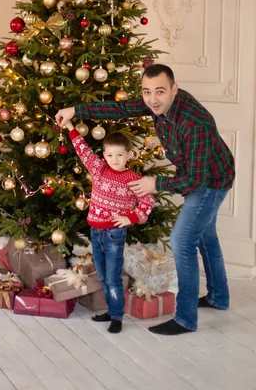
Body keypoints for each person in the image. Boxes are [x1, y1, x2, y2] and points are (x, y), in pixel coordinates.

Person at [56, 63, 235, 335]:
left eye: (160, 91)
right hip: (195, 175)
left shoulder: (195, 124)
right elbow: (120, 109)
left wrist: (155, 183)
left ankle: (185, 319)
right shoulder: (156, 103)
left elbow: (195, 181)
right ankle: (218, 297)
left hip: (211, 181)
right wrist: (75, 111)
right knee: (205, 236)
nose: (152, 99)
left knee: (182, 240)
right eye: (147, 92)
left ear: (174, 89)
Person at [65, 120, 154, 333]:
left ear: (129, 155)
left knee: (113, 277)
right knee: (103, 276)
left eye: (120, 155)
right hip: (96, 232)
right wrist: (70, 127)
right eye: (110, 155)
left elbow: (148, 201)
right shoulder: (98, 169)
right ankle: (110, 310)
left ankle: (117, 316)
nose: (115, 160)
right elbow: (83, 150)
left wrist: (130, 218)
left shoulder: (133, 178)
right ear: (104, 155)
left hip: (115, 233)